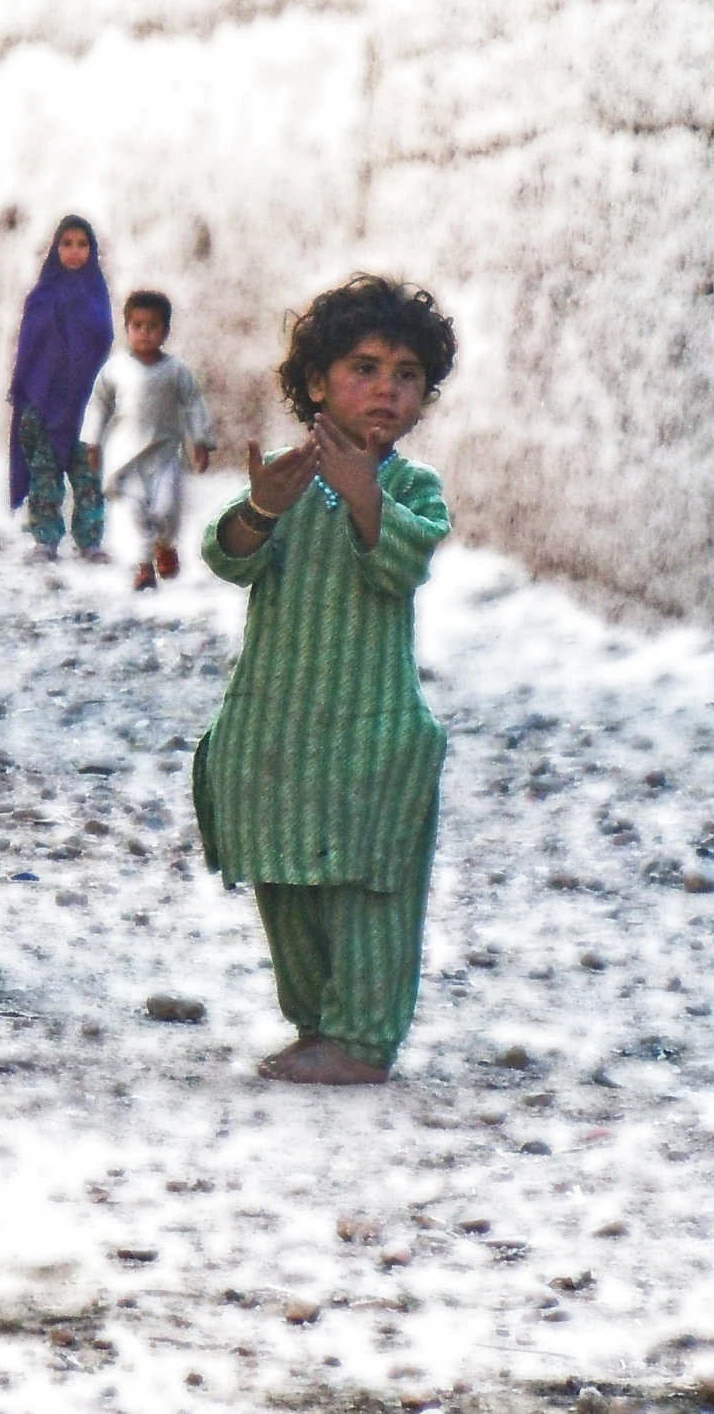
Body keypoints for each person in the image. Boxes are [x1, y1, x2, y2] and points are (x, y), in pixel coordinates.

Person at [192, 274, 456, 1085]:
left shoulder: (409, 488)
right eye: (363, 368)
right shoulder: (286, 480)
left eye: (407, 374)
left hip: (371, 732)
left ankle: (362, 1036)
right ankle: (316, 1022)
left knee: (369, 883)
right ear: (315, 385)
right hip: (277, 727)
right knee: (288, 878)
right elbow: (228, 555)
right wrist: (262, 509)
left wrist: (366, 498)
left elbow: (404, 560)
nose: (387, 388)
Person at [80, 289, 214, 591]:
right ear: (127, 328)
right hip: (125, 456)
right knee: (131, 512)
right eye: (138, 326)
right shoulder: (115, 369)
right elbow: (99, 404)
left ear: (165, 331)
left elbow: (193, 403)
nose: (145, 333)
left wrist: (201, 441)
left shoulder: (176, 370)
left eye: (153, 326)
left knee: (166, 508)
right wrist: (93, 442)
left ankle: (165, 544)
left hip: (164, 453)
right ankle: (143, 566)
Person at [6, 215, 113, 562]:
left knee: (88, 476)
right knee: (44, 473)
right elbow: (29, 346)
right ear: (55, 248)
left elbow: (103, 340)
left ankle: (90, 541)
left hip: (85, 401)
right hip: (44, 399)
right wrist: (25, 392)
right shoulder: (41, 294)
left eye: (83, 244)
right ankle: (45, 539)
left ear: (92, 250)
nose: (75, 251)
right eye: (67, 244)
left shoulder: (97, 293)